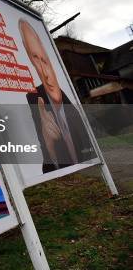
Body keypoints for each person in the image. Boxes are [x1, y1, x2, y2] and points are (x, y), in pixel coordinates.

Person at [18, 19, 93, 173]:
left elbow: (88, 147)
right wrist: (49, 145)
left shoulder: (67, 99)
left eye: (44, 60)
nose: (44, 73)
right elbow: (46, 166)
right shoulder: (34, 99)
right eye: (35, 60)